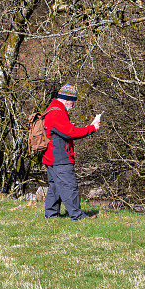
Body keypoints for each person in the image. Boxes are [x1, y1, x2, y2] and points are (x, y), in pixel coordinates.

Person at [42, 84, 102, 220]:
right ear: (66, 99)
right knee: (70, 186)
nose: (73, 105)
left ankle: (51, 215)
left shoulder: (52, 109)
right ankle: (77, 216)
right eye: (73, 101)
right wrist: (91, 128)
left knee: (55, 187)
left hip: (50, 156)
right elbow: (71, 133)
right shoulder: (57, 113)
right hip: (60, 158)